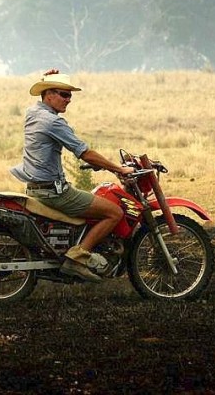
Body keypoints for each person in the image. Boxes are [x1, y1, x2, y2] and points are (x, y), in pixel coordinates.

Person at [10, 69, 134, 282]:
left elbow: (83, 156)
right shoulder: (54, 122)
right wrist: (119, 169)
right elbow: (84, 152)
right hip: (53, 191)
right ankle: (78, 256)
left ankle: (76, 245)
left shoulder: (33, 112)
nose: (69, 100)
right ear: (48, 95)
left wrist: (45, 79)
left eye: (70, 95)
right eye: (64, 94)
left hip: (35, 187)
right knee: (114, 212)